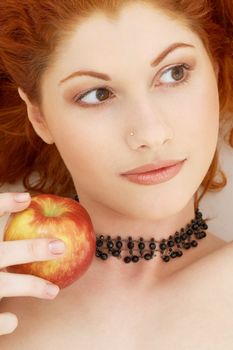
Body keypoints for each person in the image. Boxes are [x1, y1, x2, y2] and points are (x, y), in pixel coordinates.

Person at [0, 0, 233, 348]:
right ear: (39, 117)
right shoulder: (10, 294)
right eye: (97, 95)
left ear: (215, 73)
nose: (151, 133)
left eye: (175, 73)